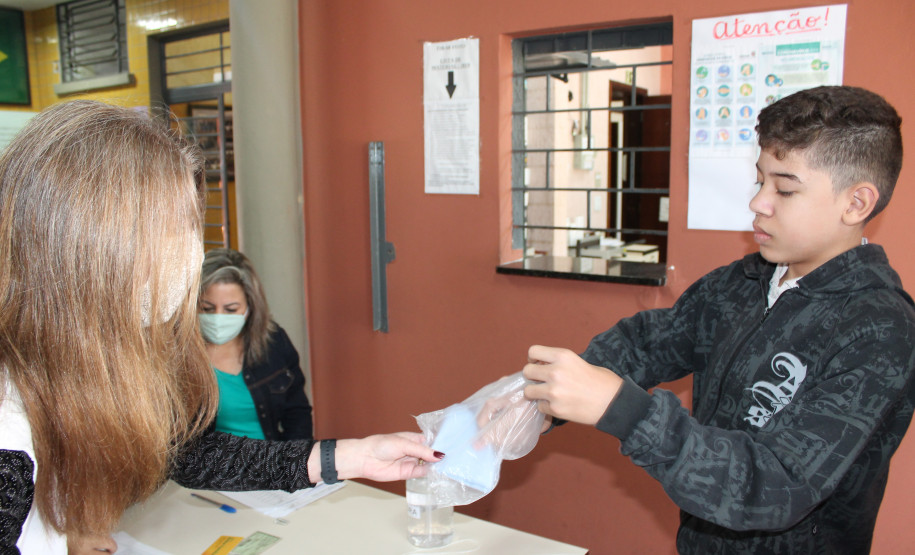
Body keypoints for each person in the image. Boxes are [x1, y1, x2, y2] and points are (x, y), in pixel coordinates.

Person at [0, 100, 444, 554]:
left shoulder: (94, 359)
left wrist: (356, 455)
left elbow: (190, 454)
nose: (189, 257)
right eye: (168, 231)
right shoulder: (8, 430)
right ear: (81, 244)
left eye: (192, 229)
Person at [521, 86, 915, 553]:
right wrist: (539, 400)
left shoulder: (880, 329)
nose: (759, 203)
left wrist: (625, 410)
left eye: (785, 189)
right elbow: (648, 343)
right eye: (760, 181)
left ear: (856, 204)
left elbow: (776, 486)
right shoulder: (741, 283)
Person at [199, 248, 313, 441]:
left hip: (270, 464)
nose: (218, 317)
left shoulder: (273, 342)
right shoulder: (178, 356)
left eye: (231, 309)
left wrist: (292, 466)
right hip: (210, 469)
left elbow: (297, 414)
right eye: (207, 308)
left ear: (250, 308)